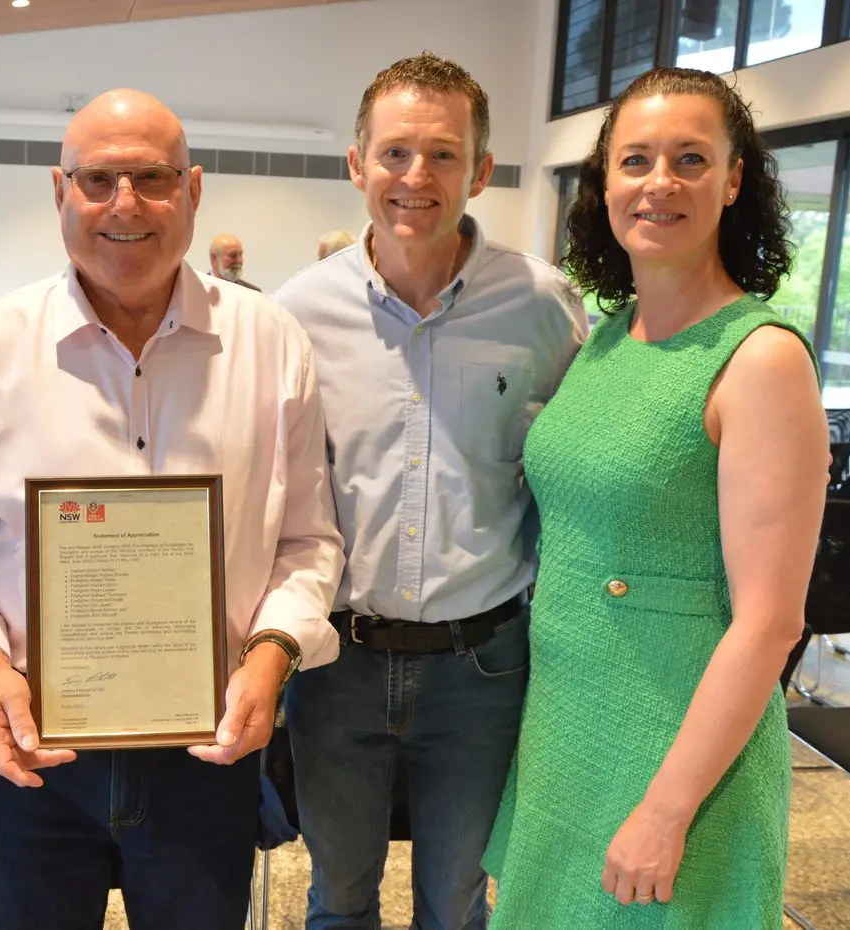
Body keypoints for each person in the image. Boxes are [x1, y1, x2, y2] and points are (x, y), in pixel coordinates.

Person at [0, 88, 344, 930]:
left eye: (151, 177)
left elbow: (307, 539)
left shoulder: (269, 340)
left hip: (208, 744)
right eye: (99, 178)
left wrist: (272, 653)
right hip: (35, 747)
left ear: (192, 189)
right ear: (59, 190)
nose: (125, 204)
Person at [483, 67, 828, 927]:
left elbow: (770, 623)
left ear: (733, 179)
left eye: (690, 159)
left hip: (676, 751)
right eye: (635, 160)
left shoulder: (759, 359)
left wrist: (666, 810)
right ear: (604, 183)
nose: (659, 183)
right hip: (567, 722)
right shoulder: (604, 340)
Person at [274, 52, 586, 930]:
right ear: (356, 163)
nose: (416, 177)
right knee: (337, 900)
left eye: (443, 155)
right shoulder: (295, 316)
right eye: (395, 153)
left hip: (482, 665)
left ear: (480, 170)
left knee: (455, 905)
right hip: (336, 659)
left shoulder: (544, 308)